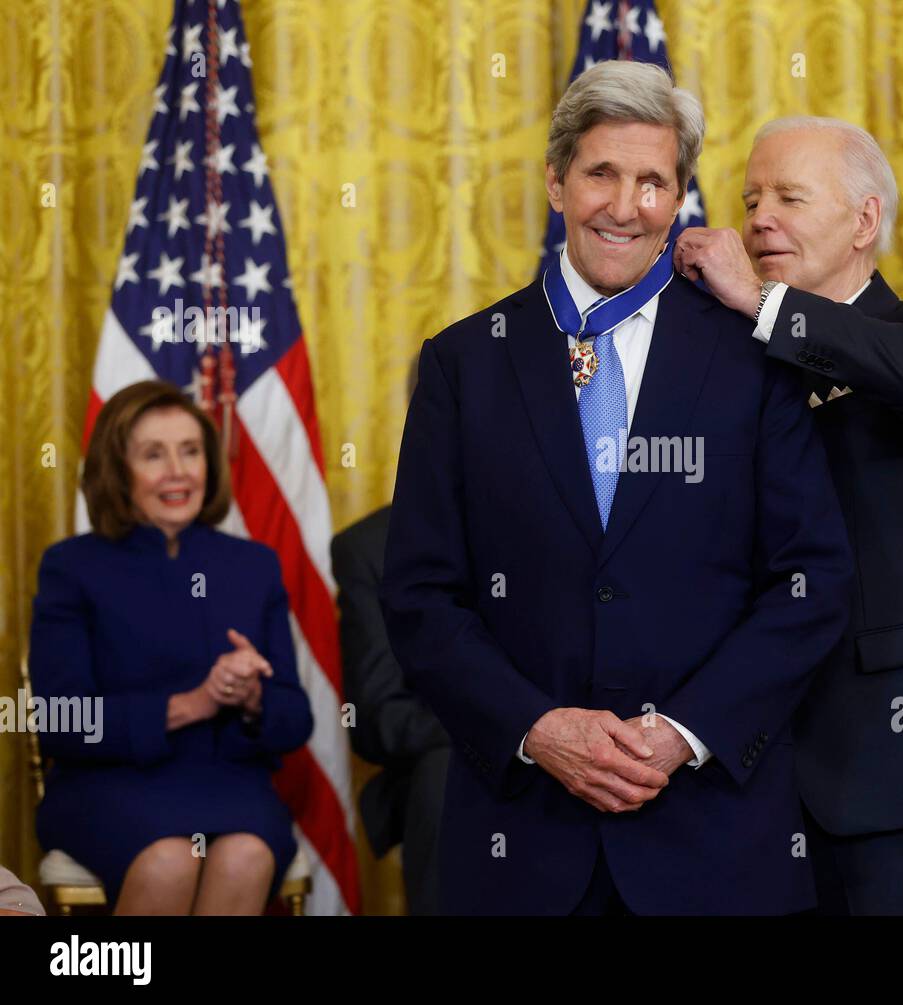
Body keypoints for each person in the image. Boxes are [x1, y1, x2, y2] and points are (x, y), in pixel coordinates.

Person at [380, 63, 852, 916]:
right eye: (602, 173)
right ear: (557, 183)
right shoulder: (465, 362)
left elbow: (811, 581)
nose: (626, 205)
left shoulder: (755, 355)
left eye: (653, 182)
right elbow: (419, 595)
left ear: (679, 199)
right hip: (520, 844)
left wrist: (682, 734)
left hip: (716, 844)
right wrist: (538, 729)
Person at [675, 116, 903, 915]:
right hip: (740, 762)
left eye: (790, 197)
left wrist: (765, 304)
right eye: (752, 197)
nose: (760, 216)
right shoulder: (721, 353)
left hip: (896, 762)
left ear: (865, 220)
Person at [29, 380, 313, 915]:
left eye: (190, 451)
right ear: (117, 469)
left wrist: (252, 696)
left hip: (228, 782)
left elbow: (294, 721)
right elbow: (63, 722)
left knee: (247, 856)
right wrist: (194, 704)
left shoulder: (252, 565)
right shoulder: (72, 567)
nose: (177, 471)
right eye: (153, 455)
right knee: (170, 860)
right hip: (107, 785)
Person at [334, 358, 451, 915]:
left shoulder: (573, 526)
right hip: (444, 765)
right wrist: (514, 724)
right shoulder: (369, 549)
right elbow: (379, 720)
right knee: (447, 775)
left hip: (585, 751)